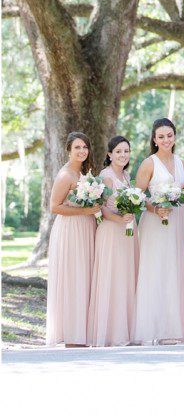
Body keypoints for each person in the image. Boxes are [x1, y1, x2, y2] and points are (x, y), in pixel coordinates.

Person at [134, 118, 184, 345]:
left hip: (176, 223)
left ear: (175, 137)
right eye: (161, 136)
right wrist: (155, 208)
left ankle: (172, 328)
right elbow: (137, 197)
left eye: (169, 135)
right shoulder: (149, 163)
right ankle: (150, 328)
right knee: (154, 269)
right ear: (154, 140)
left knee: (174, 270)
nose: (166, 140)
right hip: (154, 223)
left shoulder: (183, 165)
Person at [46, 132, 101, 347]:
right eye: (77, 147)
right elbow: (54, 207)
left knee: (85, 278)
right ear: (68, 150)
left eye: (85, 147)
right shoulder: (66, 175)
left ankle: (83, 332)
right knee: (73, 279)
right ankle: (70, 334)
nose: (82, 151)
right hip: (70, 230)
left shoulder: (87, 172)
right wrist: (85, 211)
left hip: (86, 228)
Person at [87, 135, 139, 346]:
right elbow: (102, 208)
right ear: (109, 154)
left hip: (127, 231)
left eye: (126, 151)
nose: (122, 155)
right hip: (111, 232)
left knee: (126, 277)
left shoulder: (127, 176)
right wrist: (120, 219)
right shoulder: (106, 176)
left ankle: (126, 330)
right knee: (112, 277)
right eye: (118, 151)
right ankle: (110, 333)